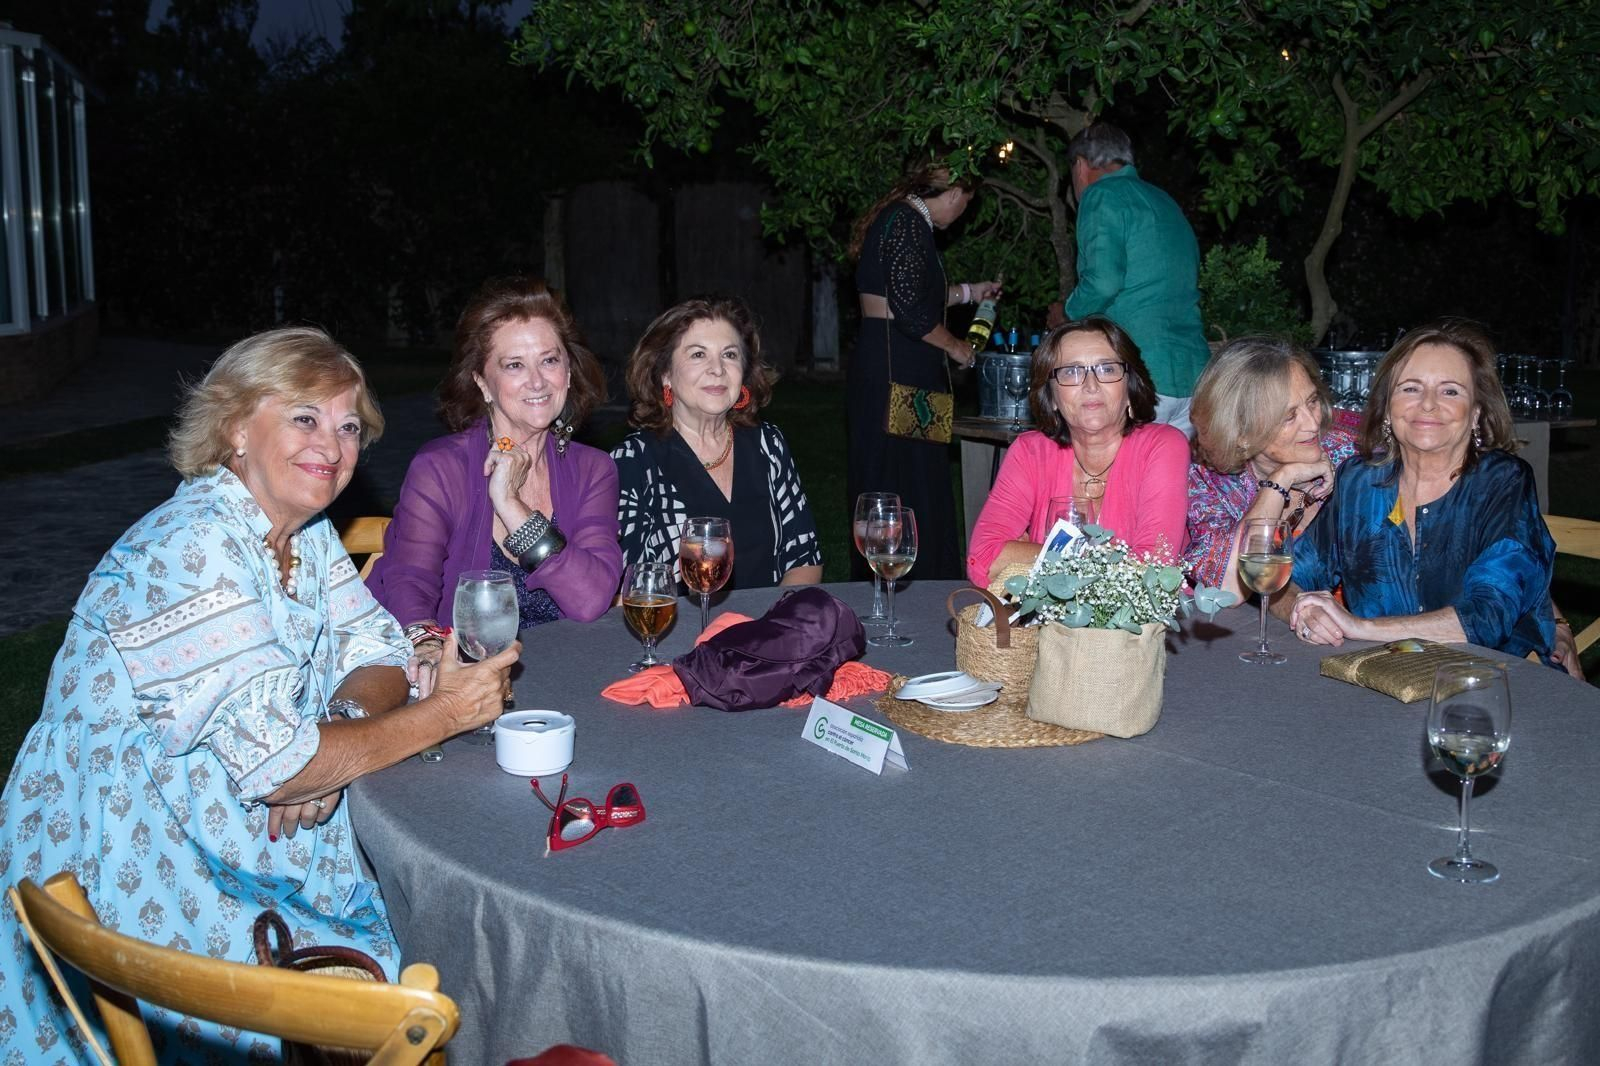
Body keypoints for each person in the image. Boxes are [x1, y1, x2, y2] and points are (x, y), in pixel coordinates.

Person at [0, 328, 517, 1059]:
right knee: (429, 973)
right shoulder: (195, 544)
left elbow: (379, 652)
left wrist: (337, 729)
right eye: (304, 417)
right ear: (237, 427)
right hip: (131, 853)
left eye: (347, 427)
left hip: (230, 825)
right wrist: (441, 715)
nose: (333, 448)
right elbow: (283, 769)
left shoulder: (298, 535)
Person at [367, 277, 622, 693]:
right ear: (483, 383)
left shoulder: (593, 469)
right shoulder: (441, 467)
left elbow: (591, 598)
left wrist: (510, 505)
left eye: (550, 360)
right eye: (514, 365)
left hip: (572, 681)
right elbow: (410, 578)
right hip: (463, 683)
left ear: (569, 373)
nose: (537, 381)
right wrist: (426, 643)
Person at [1284, 319, 1563, 665]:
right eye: (1411, 388)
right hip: (1379, 680)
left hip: (1493, 684)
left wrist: (1359, 626)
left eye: (1450, 391)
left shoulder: (1502, 483)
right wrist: (1305, 610)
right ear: (1387, 407)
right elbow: (1290, 576)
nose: (1428, 404)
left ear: (1476, 412)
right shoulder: (1359, 481)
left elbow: (1488, 616)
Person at [847, 161, 1001, 579]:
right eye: (965, 206)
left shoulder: (901, 219)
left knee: (912, 479)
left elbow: (914, 293)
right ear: (953, 195)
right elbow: (912, 314)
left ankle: (908, 584)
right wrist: (959, 348)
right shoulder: (908, 223)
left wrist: (972, 292)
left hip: (894, 364)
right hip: (898, 372)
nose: (961, 217)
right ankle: (909, 584)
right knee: (905, 482)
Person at [612, 295, 824, 589]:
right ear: (665, 375)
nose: (718, 369)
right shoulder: (633, 459)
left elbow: (805, 559)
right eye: (698, 354)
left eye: (730, 355)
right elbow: (625, 586)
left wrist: (774, 627)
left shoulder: (768, 445)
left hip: (768, 626)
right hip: (677, 630)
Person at [967, 316, 1189, 586]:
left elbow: (1152, 573)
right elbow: (983, 560)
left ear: (1130, 387)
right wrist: (1113, 560)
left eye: (1107, 369)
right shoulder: (1030, 452)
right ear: (1052, 397)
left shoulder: (1164, 446)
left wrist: (1035, 555)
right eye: (1071, 372)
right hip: (1051, 628)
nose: (1090, 385)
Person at [1045, 123, 1211, 436]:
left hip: (1138, 376)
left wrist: (1067, 313)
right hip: (1192, 378)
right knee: (1162, 483)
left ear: (1080, 165)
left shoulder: (1101, 195)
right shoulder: (1165, 202)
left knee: (1115, 480)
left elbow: (1103, 283)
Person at [1184, 337, 1358, 601]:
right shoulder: (1210, 483)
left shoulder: (1350, 458)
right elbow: (1225, 590)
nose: (1312, 423)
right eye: (1289, 416)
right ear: (1242, 433)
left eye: (1312, 402)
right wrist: (1281, 480)